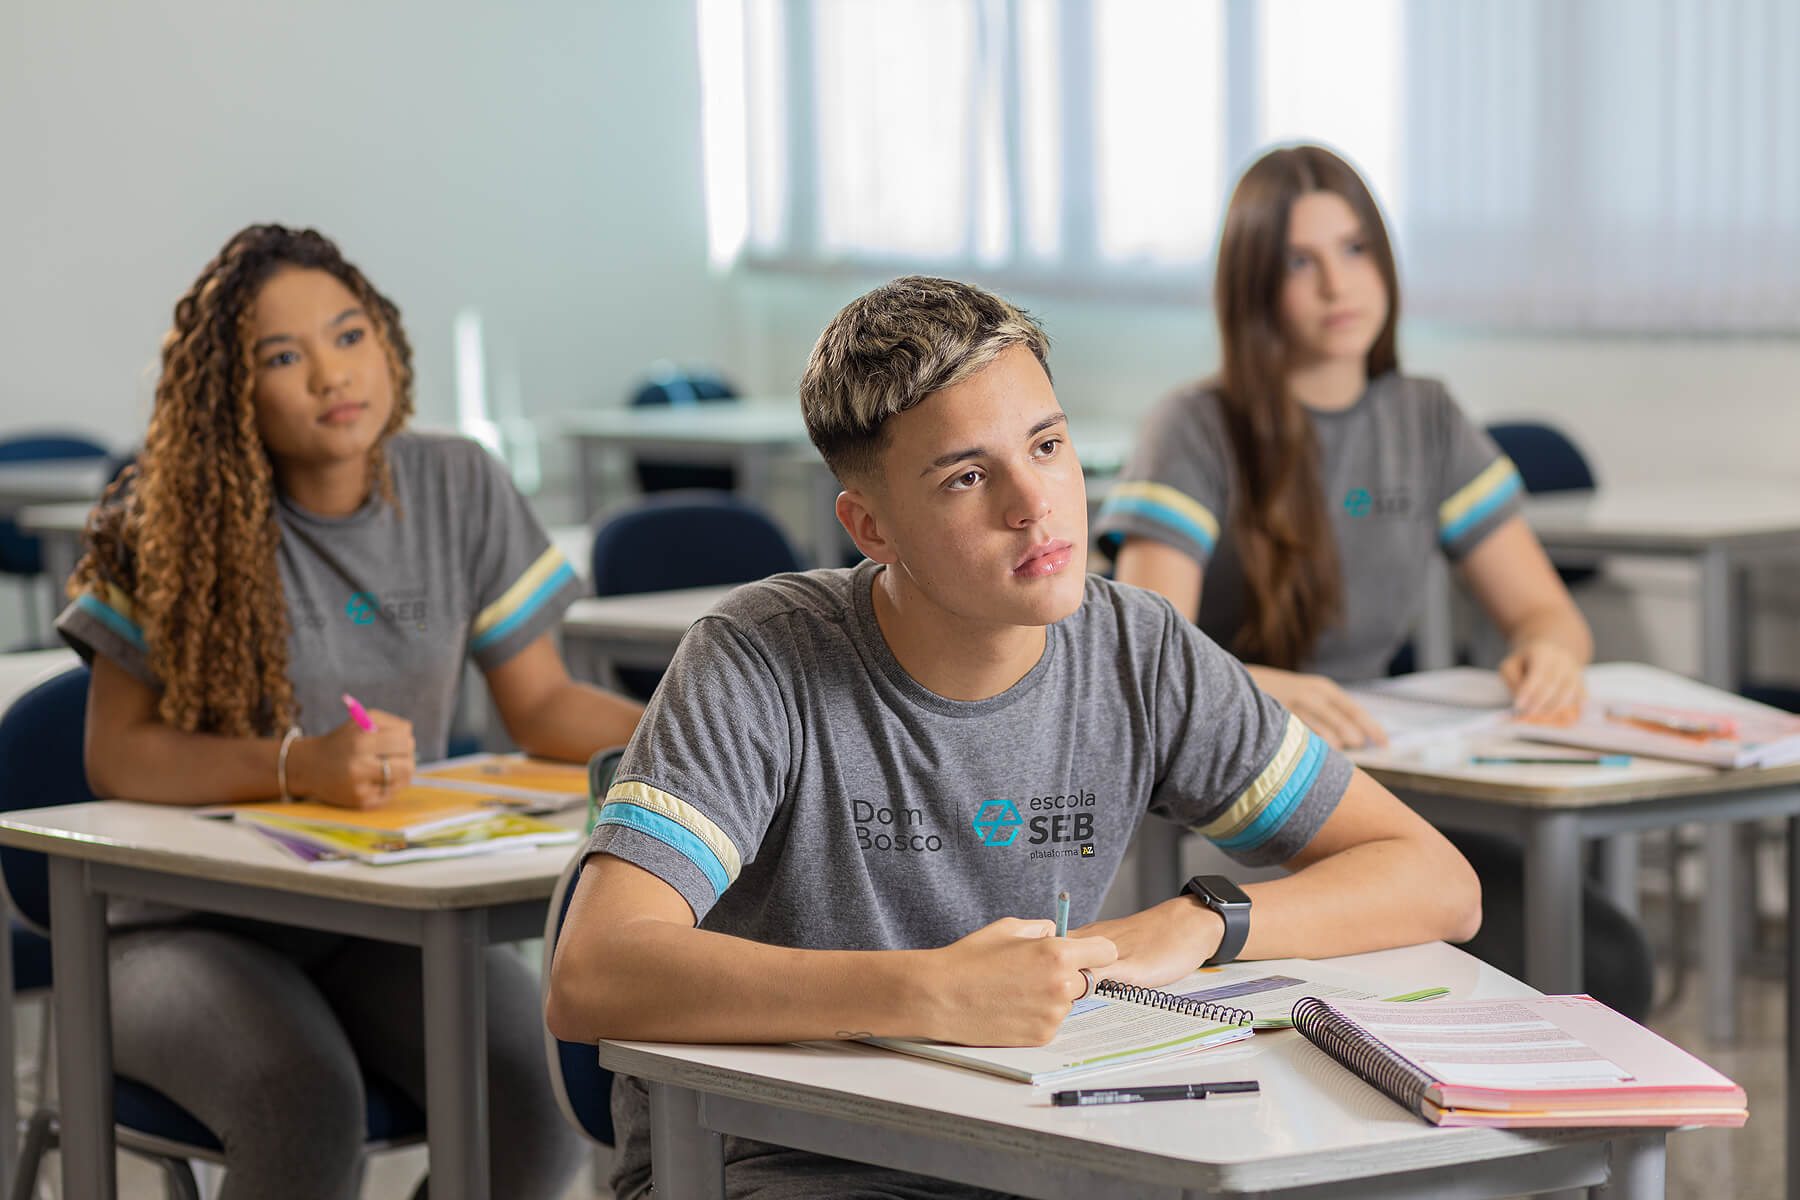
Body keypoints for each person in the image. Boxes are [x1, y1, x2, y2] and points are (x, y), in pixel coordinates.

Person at [546, 274, 1482, 1200]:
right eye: (966, 476)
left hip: (1038, 1148)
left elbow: (1436, 879)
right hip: (778, 1161)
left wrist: (1198, 923)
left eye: (1047, 445)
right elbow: (593, 972)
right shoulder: (760, 656)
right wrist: (927, 992)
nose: (1034, 505)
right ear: (870, 525)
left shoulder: (1137, 650)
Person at [56, 224, 643, 1200]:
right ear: (230, 390)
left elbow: (538, 703)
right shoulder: (172, 519)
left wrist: (691, 736)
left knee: (536, 1092)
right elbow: (117, 756)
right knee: (303, 1099)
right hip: (179, 932)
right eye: (282, 357)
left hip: (377, 919)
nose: (332, 374)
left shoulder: (458, 483)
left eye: (348, 334)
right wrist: (298, 766)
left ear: (388, 341)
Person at [1097, 143, 1651, 1017]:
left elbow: (1546, 608)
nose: (1336, 285)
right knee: (1536, 955)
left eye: (1355, 250)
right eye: (1299, 262)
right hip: (1239, 804)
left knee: (1602, 956)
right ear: (1253, 287)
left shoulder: (1426, 417)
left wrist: (1550, 651)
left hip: (1381, 788)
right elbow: (1153, 644)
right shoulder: (1194, 426)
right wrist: (1262, 693)